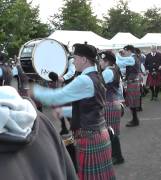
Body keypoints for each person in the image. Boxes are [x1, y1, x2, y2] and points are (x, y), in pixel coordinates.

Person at [31, 43, 116, 180]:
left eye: (75, 58)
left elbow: (56, 97)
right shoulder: (97, 76)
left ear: (84, 59)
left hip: (89, 136)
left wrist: (33, 90)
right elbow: (90, 107)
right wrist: (64, 111)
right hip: (99, 133)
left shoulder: (84, 80)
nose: (73, 62)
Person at [0, 86, 77, 180]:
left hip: (89, 133)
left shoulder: (84, 80)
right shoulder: (43, 120)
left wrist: (37, 91)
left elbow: (60, 95)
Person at [99, 50, 125, 165]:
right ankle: (116, 156)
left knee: (111, 132)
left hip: (110, 104)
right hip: (111, 103)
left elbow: (97, 84)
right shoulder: (111, 70)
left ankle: (117, 156)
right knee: (111, 131)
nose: (99, 62)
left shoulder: (108, 72)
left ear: (106, 61)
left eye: (101, 60)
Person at [118, 45, 141, 127]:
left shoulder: (132, 58)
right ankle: (135, 119)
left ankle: (135, 120)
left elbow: (120, 62)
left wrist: (117, 55)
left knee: (132, 103)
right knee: (132, 103)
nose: (124, 53)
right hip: (132, 82)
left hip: (133, 82)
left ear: (129, 51)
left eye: (125, 51)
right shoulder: (133, 58)